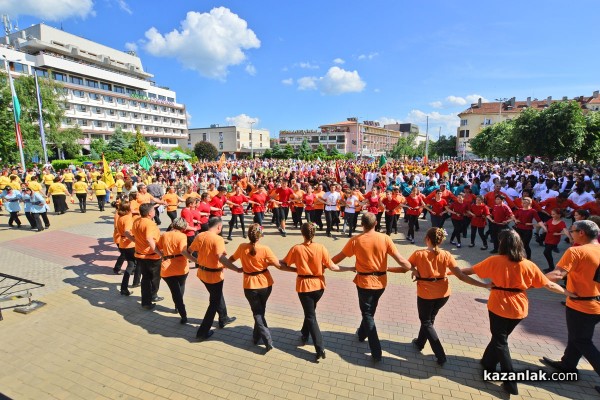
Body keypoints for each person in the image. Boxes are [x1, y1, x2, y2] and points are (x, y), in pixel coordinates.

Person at [462, 230, 571, 395]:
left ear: (501, 243)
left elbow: (468, 271)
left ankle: (510, 381)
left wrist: (447, 270)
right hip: (519, 306)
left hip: (499, 305)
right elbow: (549, 285)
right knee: (501, 337)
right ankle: (488, 362)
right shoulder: (528, 264)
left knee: (500, 341)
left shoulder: (494, 260)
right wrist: (567, 293)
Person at [331, 212, 412, 361]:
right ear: (376, 224)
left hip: (364, 282)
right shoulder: (385, 238)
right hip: (381, 282)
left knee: (367, 314)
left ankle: (376, 351)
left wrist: (324, 262)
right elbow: (403, 262)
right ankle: (362, 334)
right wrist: (411, 268)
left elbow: (337, 258)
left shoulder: (355, 240)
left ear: (362, 224)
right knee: (370, 311)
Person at [408, 228, 490, 365]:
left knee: (426, 321)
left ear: (427, 239)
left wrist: (414, 270)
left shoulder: (419, 254)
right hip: (443, 294)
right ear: (440, 240)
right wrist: (484, 285)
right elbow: (461, 276)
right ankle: (420, 342)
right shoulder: (446, 254)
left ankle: (440, 354)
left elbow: (406, 265)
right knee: (430, 319)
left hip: (426, 294)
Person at [541, 220, 600, 393]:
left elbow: (558, 274)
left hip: (582, 304)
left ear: (581, 232)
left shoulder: (576, 251)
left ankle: (568, 364)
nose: (571, 233)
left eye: (572, 230)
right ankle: (568, 364)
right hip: (595, 304)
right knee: (578, 335)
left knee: (582, 339)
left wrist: (533, 277)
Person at [281, 222, 352, 361]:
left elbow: (283, 264)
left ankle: (320, 348)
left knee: (310, 315)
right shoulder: (321, 247)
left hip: (304, 285)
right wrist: (349, 268)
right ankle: (304, 333)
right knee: (310, 311)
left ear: (302, 233)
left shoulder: (297, 248)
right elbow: (332, 267)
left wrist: (295, 270)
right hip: (319, 286)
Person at [229, 224, 281, 351]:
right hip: (265, 283)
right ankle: (260, 337)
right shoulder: (265, 249)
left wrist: (236, 269)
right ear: (260, 236)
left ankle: (263, 338)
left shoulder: (242, 247)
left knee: (257, 312)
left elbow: (231, 259)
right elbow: (278, 264)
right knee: (260, 311)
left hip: (249, 284)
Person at [189, 217, 239, 341]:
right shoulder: (218, 239)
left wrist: (198, 260)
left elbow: (190, 250)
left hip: (202, 273)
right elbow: (221, 258)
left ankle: (223, 318)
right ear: (219, 227)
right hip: (214, 276)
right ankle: (202, 332)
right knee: (214, 302)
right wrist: (236, 269)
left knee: (216, 295)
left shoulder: (200, 235)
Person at [157, 217, 197, 324]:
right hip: (181, 266)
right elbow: (183, 251)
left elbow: (157, 246)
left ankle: (180, 310)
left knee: (174, 291)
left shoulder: (165, 234)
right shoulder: (182, 236)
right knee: (181, 285)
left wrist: (161, 255)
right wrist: (195, 260)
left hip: (167, 267)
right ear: (183, 227)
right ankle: (179, 308)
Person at [131, 203, 164, 310]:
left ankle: (146, 301)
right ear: (150, 213)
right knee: (154, 278)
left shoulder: (137, 221)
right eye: (154, 210)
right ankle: (152, 296)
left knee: (145, 278)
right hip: (151, 256)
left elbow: (133, 235)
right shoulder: (150, 224)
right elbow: (149, 239)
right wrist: (159, 253)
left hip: (140, 254)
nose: (155, 211)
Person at [116, 201, 140, 295]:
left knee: (131, 265)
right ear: (128, 209)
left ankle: (124, 287)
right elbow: (126, 231)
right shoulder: (127, 218)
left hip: (123, 244)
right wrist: (134, 240)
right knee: (134, 264)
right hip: (129, 245)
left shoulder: (120, 217)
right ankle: (134, 282)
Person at [539, 208, 569, 273]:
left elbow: (566, 231)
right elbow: (545, 224)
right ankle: (551, 267)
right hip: (548, 238)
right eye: (552, 214)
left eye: (554, 214)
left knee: (546, 252)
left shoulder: (561, 223)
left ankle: (552, 267)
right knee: (548, 253)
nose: (552, 215)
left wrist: (559, 234)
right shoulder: (550, 220)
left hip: (554, 240)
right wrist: (545, 227)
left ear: (559, 215)